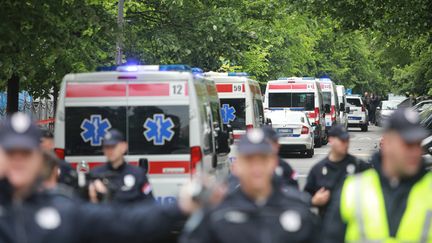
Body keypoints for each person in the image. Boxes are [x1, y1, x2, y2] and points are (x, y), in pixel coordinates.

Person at [0, 113, 190, 243]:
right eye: (10, 153)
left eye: (26, 153)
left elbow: (129, 221)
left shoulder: (61, 209)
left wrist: (181, 205)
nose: (18, 161)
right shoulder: (96, 174)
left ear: (40, 158)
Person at [181, 128, 319, 243]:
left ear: (273, 163)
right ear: (237, 166)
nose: (256, 168)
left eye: (263, 159)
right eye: (249, 160)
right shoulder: (218, 213)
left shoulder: (299, 209)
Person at [322, 108, 432, 242]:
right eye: (408, 144)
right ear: (387, 143)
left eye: (418, 144)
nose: (415, 152)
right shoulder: (353, 190)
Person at [304, 125, 370, 218]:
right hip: (327, 226)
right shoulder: (318, 169)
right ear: (331, 140)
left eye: (347, 140)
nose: (345, 144)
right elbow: (304, 199)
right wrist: (314, 201)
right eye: (342, 140)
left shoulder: (359, 166)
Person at [90, 129, 153, 203]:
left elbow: (150, 204)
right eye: (107, 147)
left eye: (113, 146)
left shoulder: (138, 174)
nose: (110, 151)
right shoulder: (95, 174)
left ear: (124, 147)